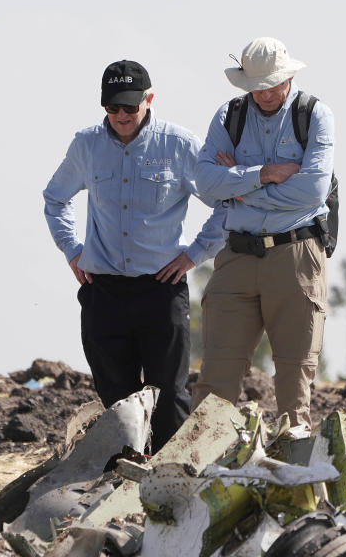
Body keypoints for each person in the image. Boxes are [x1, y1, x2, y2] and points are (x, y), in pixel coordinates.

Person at [43, 60, 226, 453]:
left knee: (168, 401)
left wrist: (195, 254)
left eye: (130, 107)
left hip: (161, 291)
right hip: (102, 292)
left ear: (149, 99)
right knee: (116, 402)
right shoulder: (86, 145)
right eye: (113, 108)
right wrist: (73, 251)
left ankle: (171, 486)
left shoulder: (179, 145)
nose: (122, 116)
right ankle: (119, 489)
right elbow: (55, 198)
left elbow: (226, 204)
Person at [191, 37, 334, 429]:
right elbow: (205, 184)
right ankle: (197, 476)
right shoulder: (229, 116)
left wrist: (238, 184)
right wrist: (267, 174)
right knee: (215, 380)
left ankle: (292, 479)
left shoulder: (315, 115)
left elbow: (312, 191)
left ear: (289, 76)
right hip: (236, 257)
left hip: (296, 256)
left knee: (293, 380)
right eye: (258, 86)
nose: (267, 93)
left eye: (274, 84)